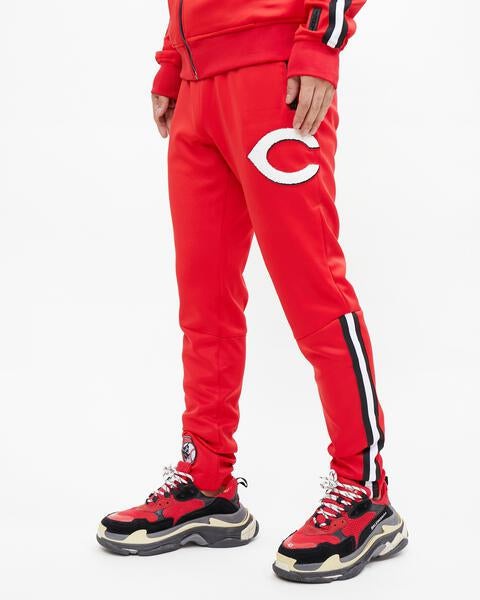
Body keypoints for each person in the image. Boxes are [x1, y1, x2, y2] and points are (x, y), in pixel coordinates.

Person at [96, 0, 408, 582]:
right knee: (204, 304)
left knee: (313, 291)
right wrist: (173, 61)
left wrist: (321, 41)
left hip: (274, 79)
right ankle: (207, 481)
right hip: (197, 87)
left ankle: (364, 491)